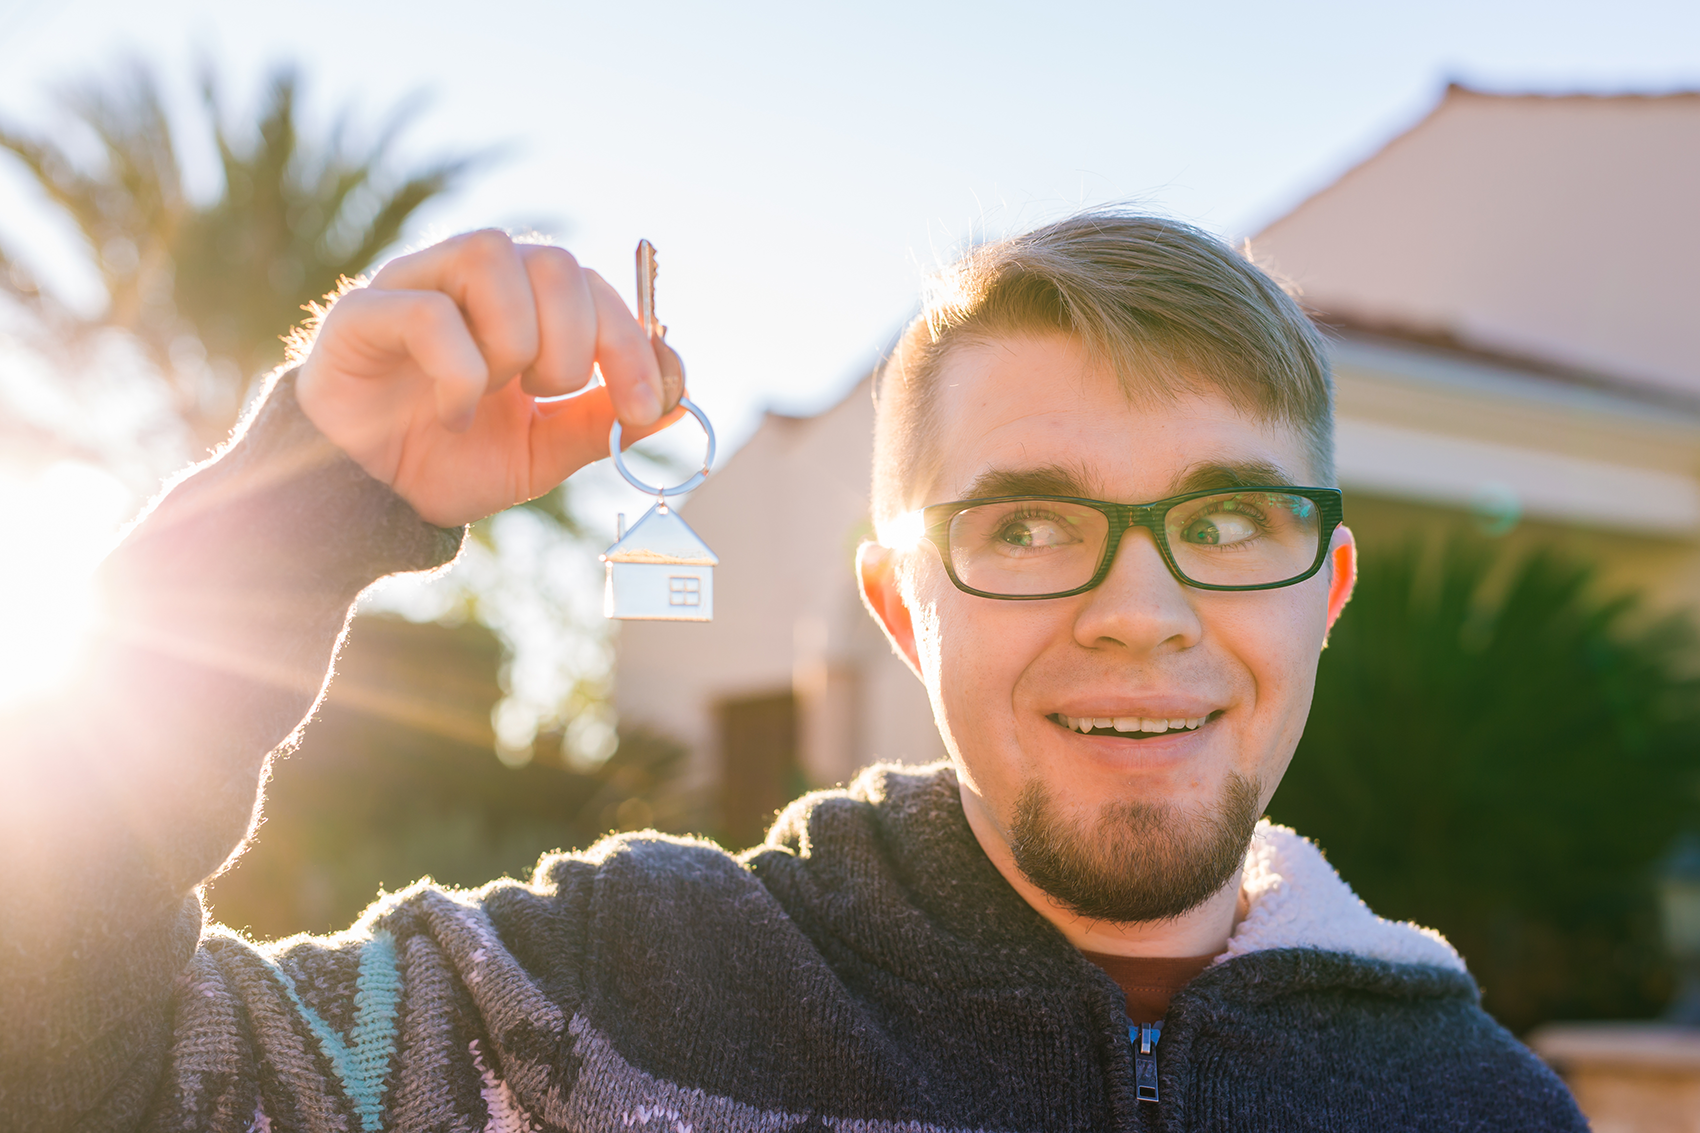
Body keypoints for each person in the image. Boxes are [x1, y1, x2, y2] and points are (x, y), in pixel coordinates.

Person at [1, 214, 1586, 1131]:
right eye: (1030, 522)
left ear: (1326, 591)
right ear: (903, 607)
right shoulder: (583, 1007)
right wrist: (286, 520)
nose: (1141, 608)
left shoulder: (1483, 1109)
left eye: (1231, 516)